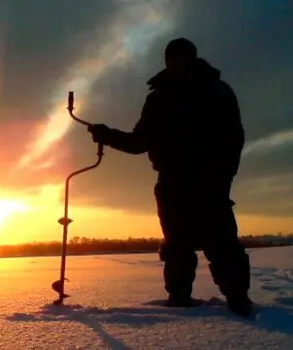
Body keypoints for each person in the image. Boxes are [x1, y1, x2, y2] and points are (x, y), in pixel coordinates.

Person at [87, 38, 253, 317]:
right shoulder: (158, 98)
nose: (175, 64)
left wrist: (223, 175)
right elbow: (140, 142)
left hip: (210, 183)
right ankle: (179, 302)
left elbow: (234, 138)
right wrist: (107, 135)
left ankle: (238, 299)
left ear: (192, 58)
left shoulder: (217, 91)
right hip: (172, 184)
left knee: (222, 244)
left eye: (180, 58)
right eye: (171, 59)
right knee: (177, 247)